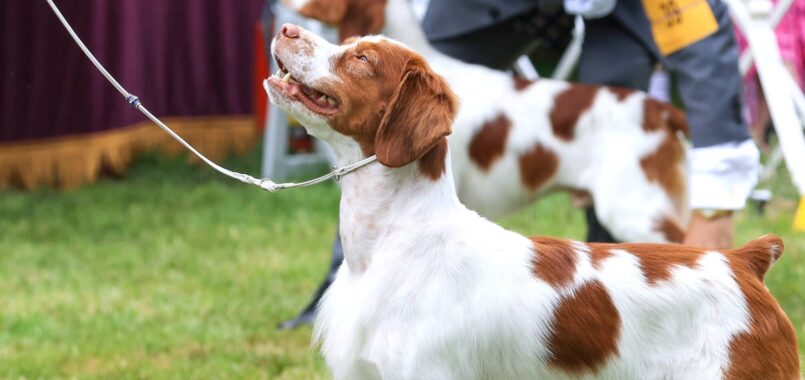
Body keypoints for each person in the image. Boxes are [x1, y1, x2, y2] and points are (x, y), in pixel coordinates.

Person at [278, 0, 759, 328]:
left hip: (623, 15)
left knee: (618, 112)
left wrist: (715, 205)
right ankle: (348, 284)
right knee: (398, 115)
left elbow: (705, 51)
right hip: (486, 8)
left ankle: (634, 301)